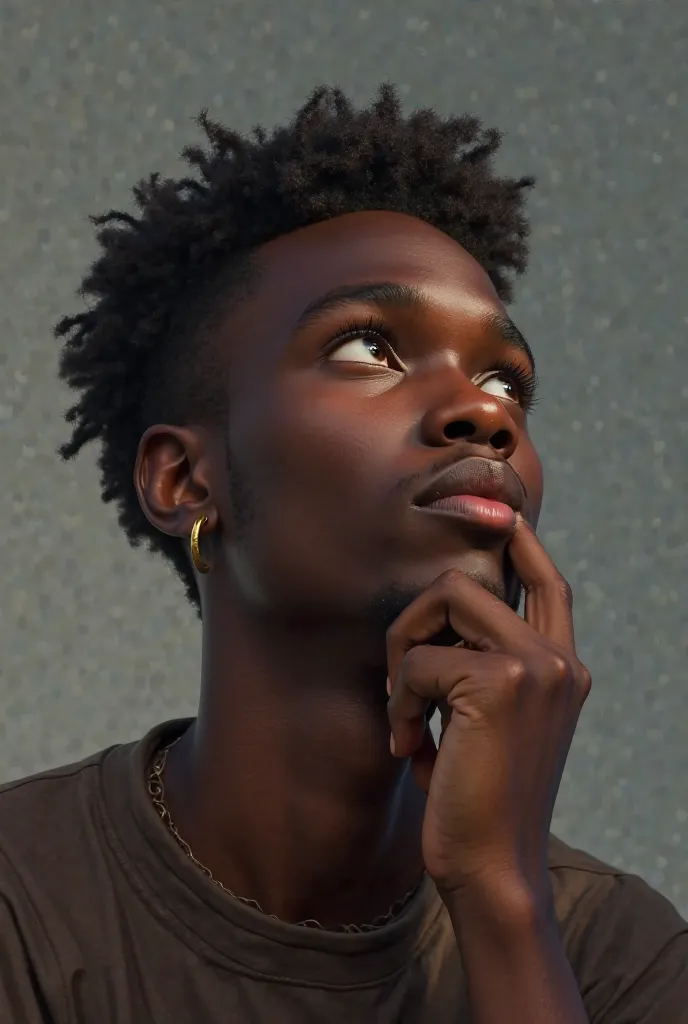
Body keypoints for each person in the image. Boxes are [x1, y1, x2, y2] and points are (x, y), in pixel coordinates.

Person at [1, 84, 685, 1024]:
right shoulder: (23, 901)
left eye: (505, 382)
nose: (485, 413)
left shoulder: (617, 955)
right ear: (184, 482)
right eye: (369, 347)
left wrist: (500, 897)